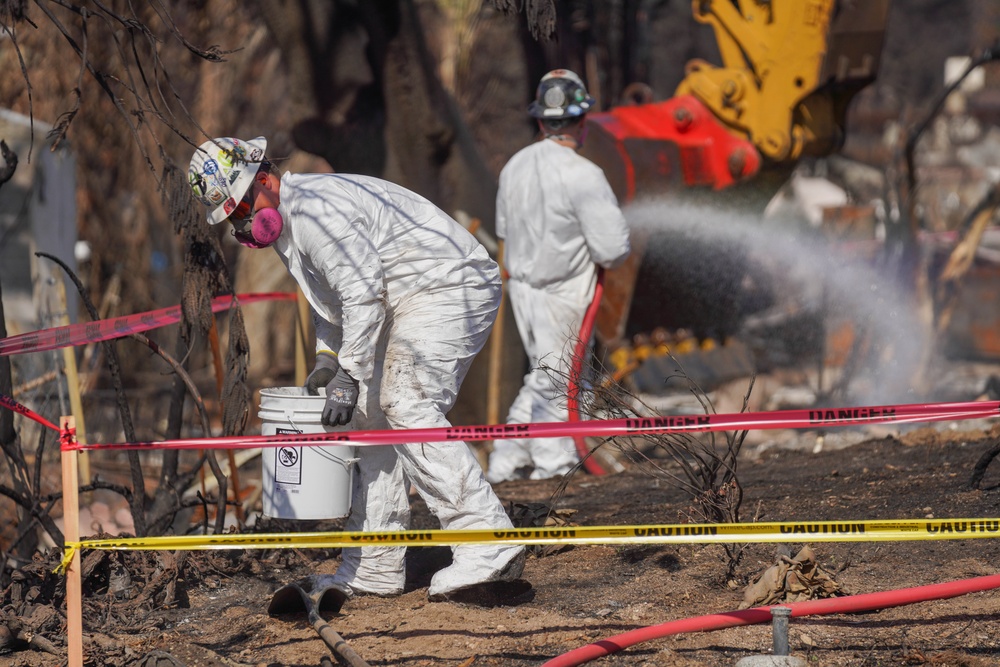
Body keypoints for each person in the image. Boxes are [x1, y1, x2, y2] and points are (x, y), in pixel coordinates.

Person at [188, 136, 525, 605]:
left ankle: (488, 542)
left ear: (266, 178)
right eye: (234, 217)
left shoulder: (317, 213)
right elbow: (336, 302)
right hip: (404, 296)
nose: (245, 223)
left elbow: (362, 291)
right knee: (369, 419)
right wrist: (330, 361)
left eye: (244, 206)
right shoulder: (292, 224)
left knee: (406, 401)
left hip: (448, 285)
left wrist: (349, 371)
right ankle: (375, 564)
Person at [486, 70, 632, 483]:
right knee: (558, 382)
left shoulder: (513, 167)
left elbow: (502, 231)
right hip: (563, 294)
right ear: (582, 122)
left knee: (544, 373)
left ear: (540, 121)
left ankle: (504, 461)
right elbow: (612, 249)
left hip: (523, 290)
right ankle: (552, 473)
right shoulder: (583, 174)